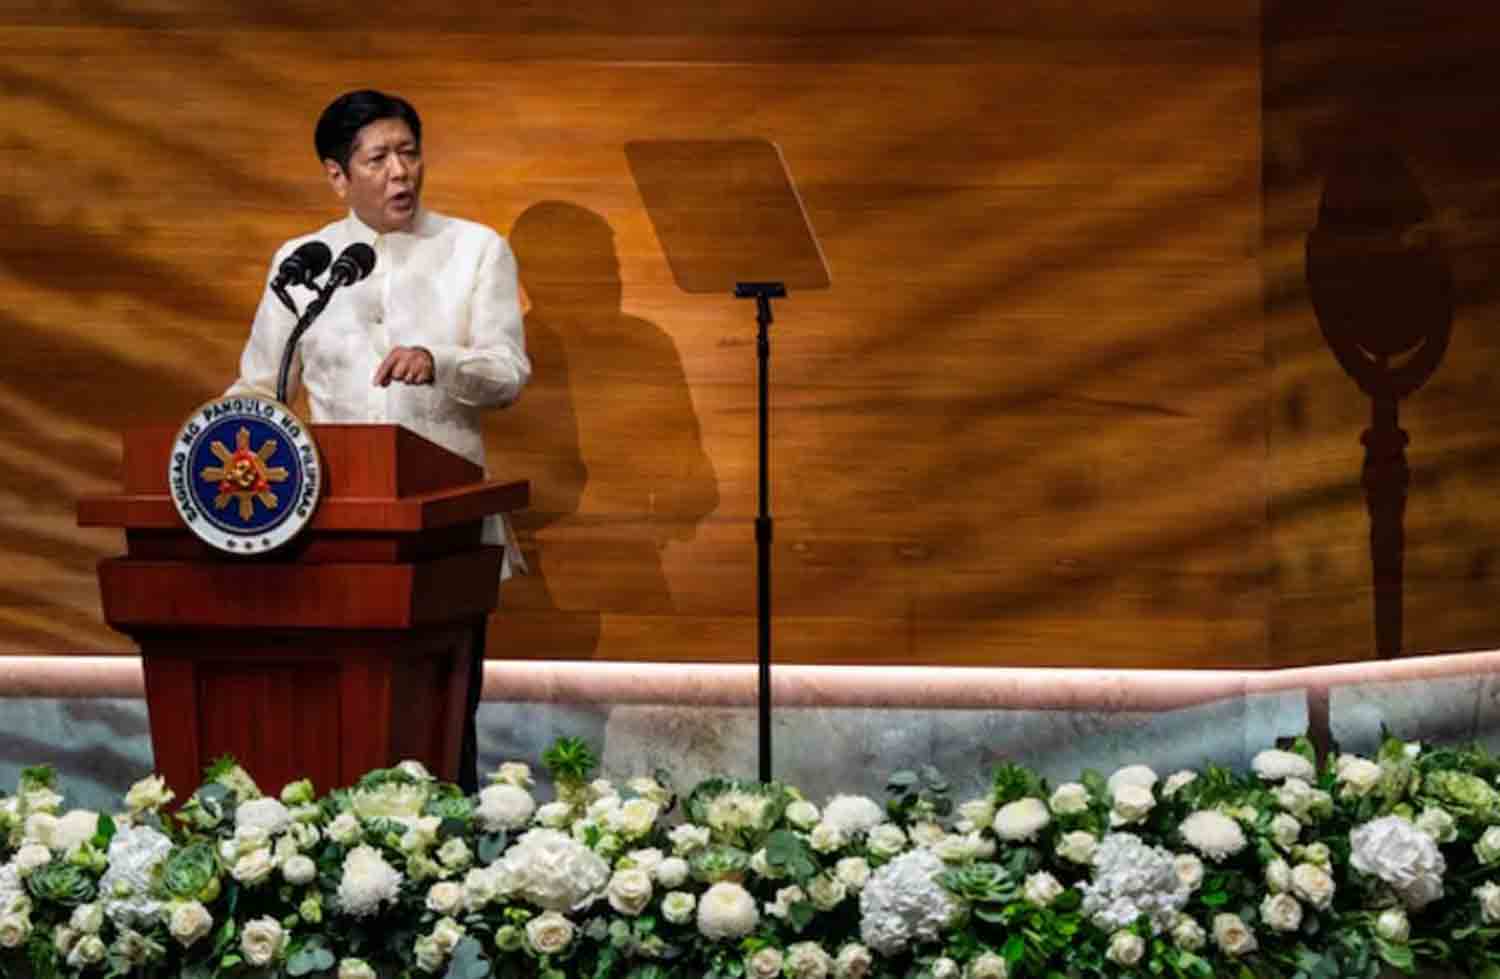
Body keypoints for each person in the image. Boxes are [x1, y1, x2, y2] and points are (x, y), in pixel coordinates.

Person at [228, 89, 531, 793]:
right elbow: (259, 389)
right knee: (336, 722)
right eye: (378, 158)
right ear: (338, 176)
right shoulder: (301, 262)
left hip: (444, 534)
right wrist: (217, 440)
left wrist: (441, 361)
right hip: (331, 534)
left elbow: (509, 373)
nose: (401, 172)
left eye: (409, 152)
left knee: (440, 725)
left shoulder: (475, 250)